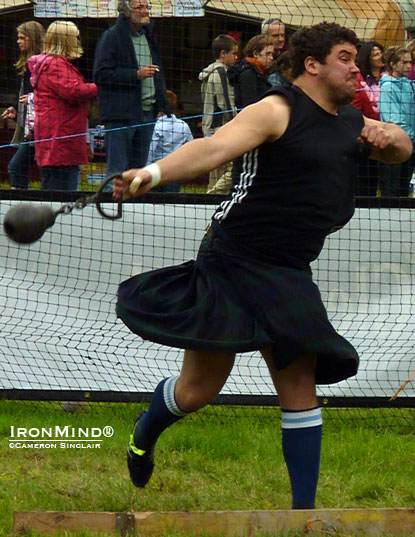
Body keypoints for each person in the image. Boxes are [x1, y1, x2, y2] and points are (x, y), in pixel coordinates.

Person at [113, 22, 411, 508]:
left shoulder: (348, 120)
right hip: (233, 261)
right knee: (197, 391)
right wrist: (153, 172)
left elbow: (402, 147)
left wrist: (388, 136)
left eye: (355, 57)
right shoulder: (275, 110)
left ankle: (303, 515)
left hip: (289, 270)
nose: (356, 66)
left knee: (298, 380)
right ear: (312, 65)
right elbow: (212, 149)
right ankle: (144, 433)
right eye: (344, 57)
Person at [93, 0, 169, 190]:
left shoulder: (149, 36)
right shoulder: (111, 37)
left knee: (138, 171)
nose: (145, 11)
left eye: (146, 7)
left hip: (148, 114)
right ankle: (111, 207)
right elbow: (101, 74)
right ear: (126, 12)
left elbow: (159, 73)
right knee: (117, 172)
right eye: (139, 8)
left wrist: (162, 105)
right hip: (120, 116)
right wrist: (135, 75)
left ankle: (134, 208)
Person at [28, 21, 97, 190]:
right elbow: (74, 91)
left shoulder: (50, 63)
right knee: (61, 192)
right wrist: (100, 86)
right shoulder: (56, 65)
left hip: (57, 135)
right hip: (60, 137)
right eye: (75, 38)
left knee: (57, 186)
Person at [1, 21, 45, 189]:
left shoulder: (41, 63)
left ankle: (21, 203)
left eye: (22, 38)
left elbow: (46, 92)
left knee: (16, 166)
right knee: (19, 167)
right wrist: (16, 108)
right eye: (17, 38)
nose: (18, 41)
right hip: (30, 127)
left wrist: (33, 99)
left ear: (33, 39)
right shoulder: (27, 64)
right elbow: (24, 94)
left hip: (39, 128)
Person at [199, 34, 238, 194]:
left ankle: (209, 204)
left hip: (209, 127)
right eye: (234, 53)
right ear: (223, 54)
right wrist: (237, 121)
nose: (236, 57)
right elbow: (226, 104)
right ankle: (211, 195)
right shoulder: (221, 73)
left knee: (215, 173)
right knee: (234, 168)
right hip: (220, 127)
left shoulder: (208, 73)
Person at [378, 46, 415, 196]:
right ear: (392, 64)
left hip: (409, 145)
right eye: (404, 62)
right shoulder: (387, 88)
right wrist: (410, 138)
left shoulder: (409, 85)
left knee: (403, 189)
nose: (408, 66)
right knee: (391, 190)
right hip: (394, 146)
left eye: (410, 62)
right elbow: (393, 120)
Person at [351, 41, 385, 195]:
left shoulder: (388, 77)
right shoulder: (359, 78)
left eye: (381, 53)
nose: (380, 57)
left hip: (384, 131)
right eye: (375, 54)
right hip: (364, 132)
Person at [146, 90, 193, 193]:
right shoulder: (183, 125)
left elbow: (150, 151)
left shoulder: (156, 126)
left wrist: (145, 171)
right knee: (171, 203)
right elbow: (191, 147)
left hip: (156, 172)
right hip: (174, 172)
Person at [228, 35, 274, 109]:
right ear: (255, 54)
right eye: (268, 54)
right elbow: (249, 105)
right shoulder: (248, 74)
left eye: (272, 54)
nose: (271, 58)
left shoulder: (261, 72)